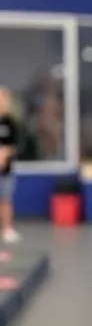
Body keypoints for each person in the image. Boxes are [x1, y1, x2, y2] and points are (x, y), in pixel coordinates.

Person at [0, 85, 20, 243]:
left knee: (5, 199)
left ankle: (7, 229)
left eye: (3, 100)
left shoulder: (10, 123)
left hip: (5, 170)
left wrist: (4, 154)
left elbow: (14, 146)